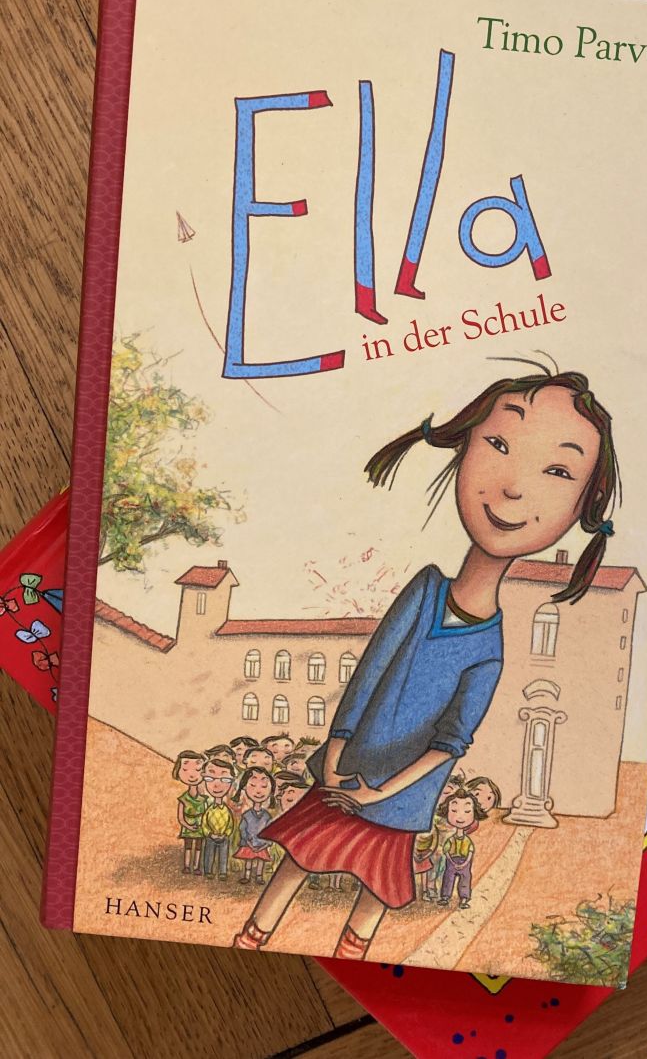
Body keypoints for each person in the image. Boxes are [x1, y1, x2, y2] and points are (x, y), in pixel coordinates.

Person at [233, 369, 618, 961]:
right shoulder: (424, 590)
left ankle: (353, 956)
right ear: (463, 445)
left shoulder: (489, 651)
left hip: (400, 799)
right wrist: (336, 757)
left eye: (558, 472)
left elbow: (450, 744)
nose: (514, 488)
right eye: (499, 444)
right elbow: (369, 673)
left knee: (376, 893)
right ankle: (249, 941)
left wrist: (382, 793)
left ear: (582, 511)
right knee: (297, 860)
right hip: (345, 771)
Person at [437, 789, 486, 909]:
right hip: (451, 861)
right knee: (448, 878)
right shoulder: (450, 840)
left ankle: (464, 899)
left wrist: (464, 863)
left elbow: (470, 852)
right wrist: (452, 862)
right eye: (454, 811)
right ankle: (445, 897)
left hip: (465, 862)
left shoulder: (467, 841)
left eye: (467, 811)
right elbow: (446, 851)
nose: (460, 817)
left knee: (465, 879)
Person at [235, 766, 278, 884]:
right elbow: (243, 830)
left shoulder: (267, 816)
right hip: (249, 843)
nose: (258, 791)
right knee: (248, 860)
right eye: (253, 786)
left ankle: (259, 877)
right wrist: (248, 842)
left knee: (261, 861)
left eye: (264, 787)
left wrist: (265, 844)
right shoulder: (247, 815)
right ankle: (247, 876)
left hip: (262, 844)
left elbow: (270, 831)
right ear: (244, 787)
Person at [201, 756, 238, 880]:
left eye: (225, 779)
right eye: (210, 778)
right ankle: (208, 871)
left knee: (223, 855)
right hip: (211, 836)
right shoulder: (209, 809)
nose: (217, 784)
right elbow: (204, 823)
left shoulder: (227, 810)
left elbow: (230, 824)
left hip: (224, 837)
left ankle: (222, 872)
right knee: (209, 854)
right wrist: (209, 834)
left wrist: (226, 834)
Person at [173, 750, 206, 874]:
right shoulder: (183, 799)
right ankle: (187, 866)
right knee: (188, 847)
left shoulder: (204, 799)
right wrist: (188, 826)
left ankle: (197, 867)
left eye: (198, 770)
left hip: (200, 827)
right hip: (188, 828)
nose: (192, 775)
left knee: (198, 848)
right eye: (185, 770)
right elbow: (181, 818)